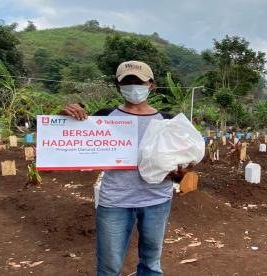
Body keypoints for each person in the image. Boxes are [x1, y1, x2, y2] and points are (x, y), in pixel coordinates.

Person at [60, 61, 187, 276]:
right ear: (119, 86)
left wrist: (180, 172)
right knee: (109, 268)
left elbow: (183, 161)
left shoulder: (167, 121)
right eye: (126, 82)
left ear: (151, 85)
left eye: (138, 82)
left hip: (157, 200)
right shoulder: (103, 117)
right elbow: (65, 137)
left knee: (151, 265)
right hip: (115, 202)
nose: (133, 87)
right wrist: (66, 115)